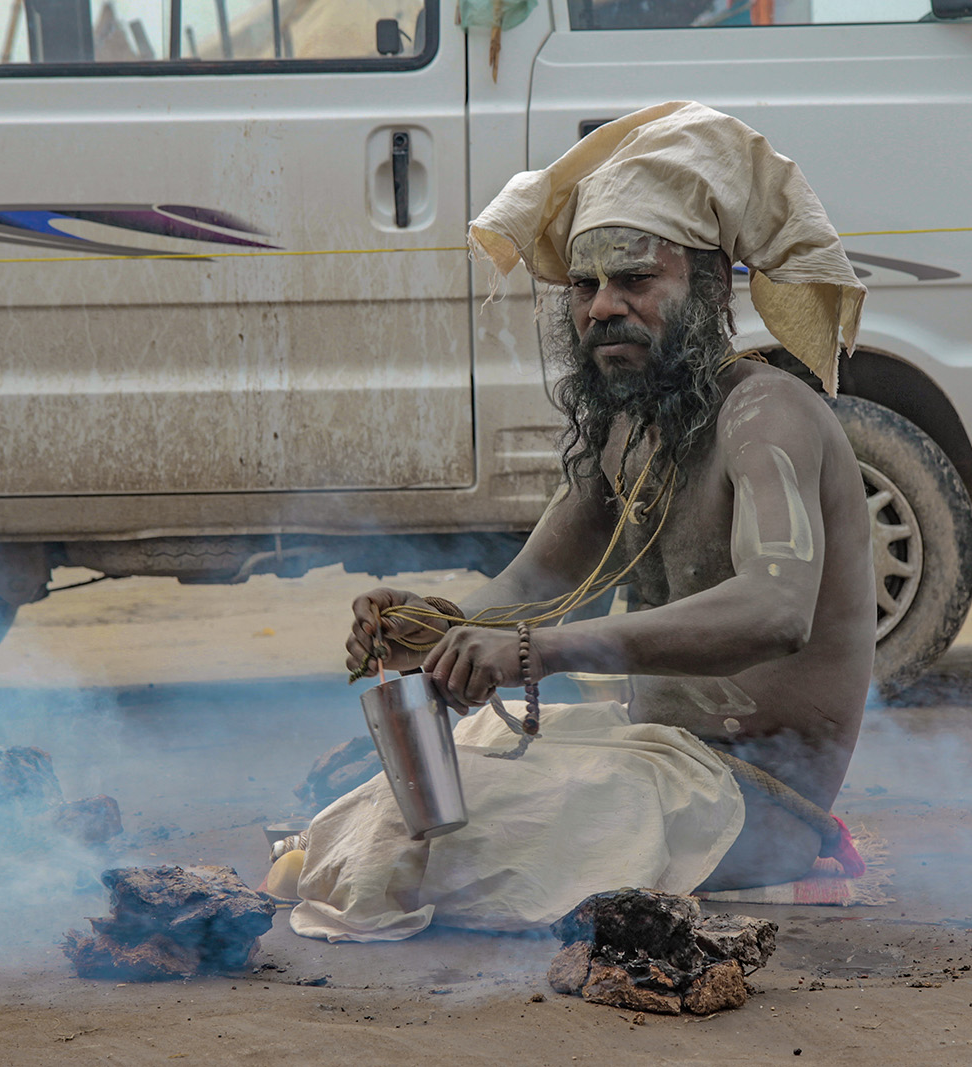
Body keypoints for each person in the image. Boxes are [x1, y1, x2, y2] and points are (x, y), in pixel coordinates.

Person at [342, 101, 875, 893]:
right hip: (654, 770)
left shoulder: (766, 414)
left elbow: (777, 608)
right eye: (584, 285)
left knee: (424, 851)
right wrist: (431, 628)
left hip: (758, 808)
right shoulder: (630, 426)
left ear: (708, 286)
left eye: (634, 280)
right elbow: (534, 584)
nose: (601, 307)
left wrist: (537, 652)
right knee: (378, 802)